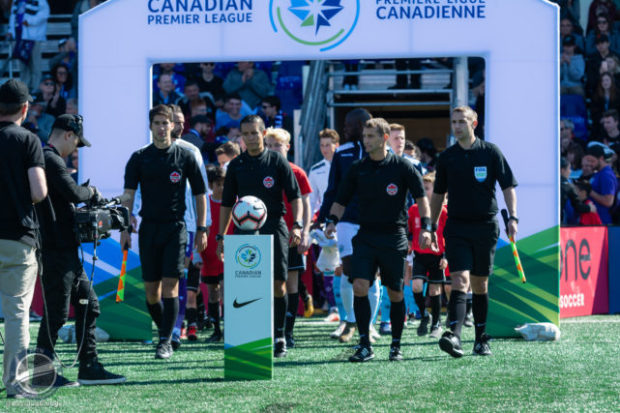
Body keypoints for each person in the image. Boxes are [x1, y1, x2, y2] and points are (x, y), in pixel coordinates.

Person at [325, 118, 431, 362]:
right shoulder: (357, 168)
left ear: (384, 138)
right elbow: (341, 200)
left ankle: (396, 345)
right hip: (365, 236)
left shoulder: (403, 167)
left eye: (371, 136)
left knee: (395, 292)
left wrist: (426, 228)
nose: (366, 140)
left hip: (394, 236)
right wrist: (331, 221)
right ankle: (365, 345)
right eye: (365, 136)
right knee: (360, 285)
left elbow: (421, 199)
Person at [35, 114, 125, 386]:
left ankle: (89, 366)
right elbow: (74, 193)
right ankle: (41, 373)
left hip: (64, 249)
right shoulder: (50, 159)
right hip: (55, 249)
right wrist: (93, 192)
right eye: (76, 143)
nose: (76, 149)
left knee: (89, 304)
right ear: (68, 135)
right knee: (57, 312)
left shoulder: (48, 158)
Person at [426, 106, 518, 358]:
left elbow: (508, 186)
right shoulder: (447, 157)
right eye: (454, 122)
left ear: (474, 123)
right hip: (457, 227)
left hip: (486, 226)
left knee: (480, 283)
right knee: (459, 280)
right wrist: (431, 226)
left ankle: (480, 338)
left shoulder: (490, 152)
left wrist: (513, 217)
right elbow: (438, 195)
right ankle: (454, 336)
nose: (457, 126)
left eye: (462, 121)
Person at [120, 105, 208, 360]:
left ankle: (165, 341)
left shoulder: (186, 156)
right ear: (150, 126)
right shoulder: (139, 158)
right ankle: (165, 332)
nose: (161, 127)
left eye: (165, 123)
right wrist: (125, 228)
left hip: (175, 228)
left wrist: (201, 228)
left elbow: (200, 194)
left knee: (171, 285)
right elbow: (128, 196)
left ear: (173, 125)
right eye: (157, 123)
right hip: (149, 229)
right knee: (151, 292)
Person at [216, 115, 302, 358]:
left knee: (278, 284)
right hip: (243, 230)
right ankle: (249, 340)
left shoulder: (277, 160)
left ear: (263, 133)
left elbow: (295, 196)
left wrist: (297, 225)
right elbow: (226, 204)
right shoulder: (236, 165)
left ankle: (280, 335)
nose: (250, 137)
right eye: (246, 134)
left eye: (254, 132)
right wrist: (221, 237)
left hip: (274, 226)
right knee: (247, 285)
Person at [0, 79, 48, 398]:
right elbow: (39, 191)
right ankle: (15, 383)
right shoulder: (28, 140)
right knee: (17, 314)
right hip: (18, 237)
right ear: (25, 108)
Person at [319, 108, 381, 344]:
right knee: (348, 271)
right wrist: (325, 219)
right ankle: (350, 321)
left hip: (374, 221)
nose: (345, 129)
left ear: (363, 125)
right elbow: (332, 189)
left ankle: (369, 324)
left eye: (349, 125)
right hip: (346, 220)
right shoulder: (342, 153)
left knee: (372, 274)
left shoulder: (380, 151)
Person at [264, 128, 313, 349]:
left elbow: (306, 204)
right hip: (267, 234)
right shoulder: (261, 170)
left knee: (291, 282)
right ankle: (271, 330)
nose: (273, 149)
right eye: (269, 145)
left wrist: (304, 231)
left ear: (287, 147)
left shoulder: (297, 172)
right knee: (268, 284)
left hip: (292, 235)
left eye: (278, 145)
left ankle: (288, 332)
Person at [167, 104, 211, 347]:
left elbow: (201, 191)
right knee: (159, 279)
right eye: (176, 121)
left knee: (180, 275)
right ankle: (167, 323)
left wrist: (204, 226)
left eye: (182, 121)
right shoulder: (147, 151)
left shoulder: (191, 150)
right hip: (155, 224)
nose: (181, 125)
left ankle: (176, 328)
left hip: (187, 225)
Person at [408, 171, 448, 339]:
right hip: (419, 254)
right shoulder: (414, 209)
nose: (424, 191)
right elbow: (409, 230)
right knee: (416, 286)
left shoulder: (443, 211)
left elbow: (448, 235)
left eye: (427, 188)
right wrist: (409, 242)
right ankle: (425, 315)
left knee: (434, 289)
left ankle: (436, 324)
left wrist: (445, 256)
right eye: (422, 188)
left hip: (438, 256)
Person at [199, 166, 233, 342]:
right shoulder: (205, 203)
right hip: (208, 256)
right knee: (213, 293)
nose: (221, 187)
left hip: (227, 255)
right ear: (211, 185)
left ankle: (229, 329)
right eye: (218, 184)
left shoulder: (234, 204)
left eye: (225, 184)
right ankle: (216, 330)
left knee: (226, 291)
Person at [6, 0, 50, 91]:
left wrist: (29, 21)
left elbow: (45, 13)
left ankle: (36, 89)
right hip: (19, 37)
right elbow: (13, 16)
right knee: (23, 65)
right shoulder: (16, 1)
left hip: (34, 37)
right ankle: (24, 89)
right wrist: (10, 31)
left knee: (35, 65)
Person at [582, 144, 617, 224]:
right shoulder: (598, 173)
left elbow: (608, 202)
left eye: (592, 161)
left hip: (602, 222)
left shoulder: (606, 175)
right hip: (593, 220)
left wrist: (589, 191)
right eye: (588, 161)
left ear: (601, 158)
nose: (590, 164)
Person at [309, 129, 339, 217]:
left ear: (336, 145)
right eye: (322, 145)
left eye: (327, 145)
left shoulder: (346, 165)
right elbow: (311, 199)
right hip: (325, 216)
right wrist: (308, 221)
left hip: (345, 217)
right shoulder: (315, 170)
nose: (324, 149)